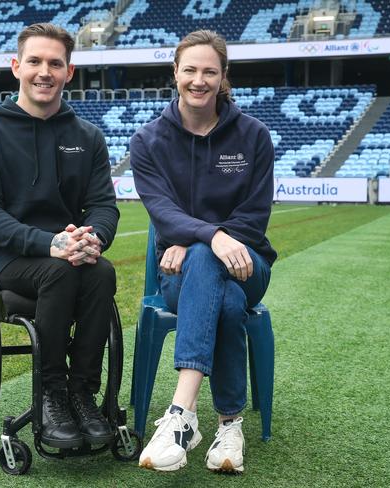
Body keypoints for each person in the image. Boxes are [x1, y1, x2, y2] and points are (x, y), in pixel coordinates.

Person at [0, 23, 120, 449]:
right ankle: (51, 392)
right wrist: (51, 244)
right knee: (60, 272)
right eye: (34, 61)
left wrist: (95, 238)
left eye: (55, 63)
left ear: (69, 72)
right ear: (16, 67)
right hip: (8, 256)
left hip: (68, 251)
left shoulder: (87, 137)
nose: (44, 71)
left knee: (102, 272)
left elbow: (104, 205)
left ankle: (82, 392)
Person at [130, 30, 277, 473]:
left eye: (209, 71)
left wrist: (196, 238)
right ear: (175, 72)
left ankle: (181, 415)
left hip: (249, 265)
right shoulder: (148, 140)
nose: (199, 80)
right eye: (190, 70)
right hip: (179, 276)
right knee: (224, 300)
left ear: (223, 76)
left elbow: (253, 218)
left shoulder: (253, 136)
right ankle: (229, 424)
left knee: (215, 267)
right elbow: (161, 212)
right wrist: (210, 238)